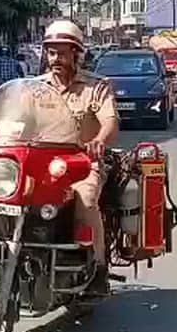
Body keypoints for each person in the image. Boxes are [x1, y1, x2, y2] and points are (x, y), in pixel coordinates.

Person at [35, 19, 119, 295]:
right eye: (51, 52)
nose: (55, 58)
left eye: (62, 52)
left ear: (76, 54)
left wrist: (98, 141)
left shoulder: (96, 86)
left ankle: (97, 266)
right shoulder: (35, 88)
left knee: (85, 198)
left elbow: (109, 120)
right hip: (39, 165)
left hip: (81, 163)